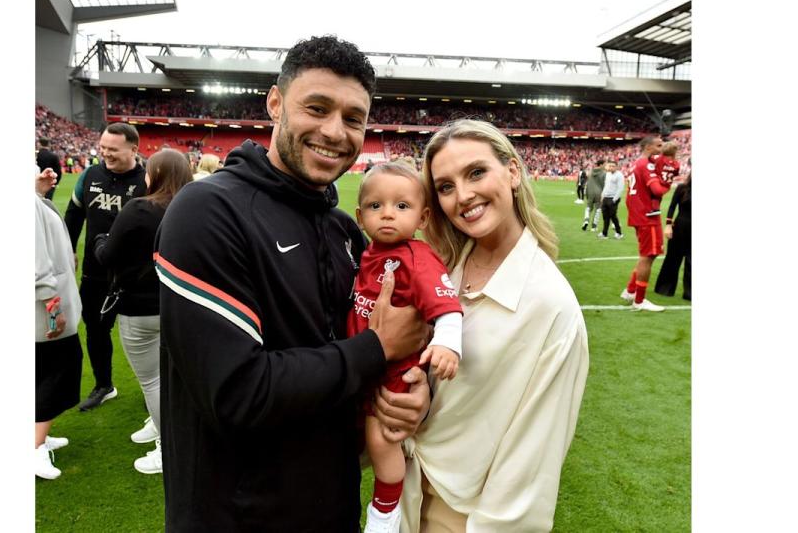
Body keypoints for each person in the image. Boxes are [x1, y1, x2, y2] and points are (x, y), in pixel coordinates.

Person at [154, 35, 431, 532]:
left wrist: (407, 391)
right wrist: (376, 349)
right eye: (317, 107)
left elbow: (354, 354)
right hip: (234, 517)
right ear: (276, 103)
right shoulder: (208, 211)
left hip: (332, 504)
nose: (334, 131)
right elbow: (237, 394)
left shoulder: (344, 230)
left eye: (353, 118)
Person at [401, 119, 589, 531]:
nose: (463, 196)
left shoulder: (550, 306)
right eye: (446, 187)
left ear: (513, 171)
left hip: (465, 517)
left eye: (476, 172)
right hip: (407, 493)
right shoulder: (443, 270)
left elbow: (530, 464)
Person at [348, 163, 463, 533]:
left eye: (401, 206)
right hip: (363, 363)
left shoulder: (417, 257)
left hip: (395, 370)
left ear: (423, 216)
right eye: (375, 206)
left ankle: (384, 513)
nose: (387, 214)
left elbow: (445, 305)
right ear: (359, 215)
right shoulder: (369, 252)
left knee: (380, 441)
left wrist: (447, 343)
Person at [93, 148, 193, 474]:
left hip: (141, 308)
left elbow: (107, 255)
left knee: (152, 380)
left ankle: (168, 449)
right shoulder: (194, 207)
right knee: (169, 376)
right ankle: (159, 423)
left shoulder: (139, 208)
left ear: (157, 173)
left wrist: (99, 239)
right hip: (180, 306)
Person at [65, 123, 147, 411]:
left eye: (113, 149)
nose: (105, 154)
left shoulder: (149, 178)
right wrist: (69, 250)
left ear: (133, 149)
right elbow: (74, 215)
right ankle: (104, 385)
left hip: (138, 277)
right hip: (95, 273)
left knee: (147, 333)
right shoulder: (90, 174)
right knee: (96, 331)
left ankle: (154, 389)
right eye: (103, 148)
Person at [35, 166, 83, 480]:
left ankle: (37, 435)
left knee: (43, 372)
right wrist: (53, 310)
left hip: (41, 307)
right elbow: (36, 266)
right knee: (57, 373)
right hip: (43, 311)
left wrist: (37, 191)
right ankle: (34, 446)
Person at [619, 135, 673, 312]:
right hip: (647, 215)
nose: (662, 147)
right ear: (649, 147)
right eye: (659, 145)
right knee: (648, 255)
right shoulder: (646, 165)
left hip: (640, 214)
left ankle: (630, 290)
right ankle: (639, 300)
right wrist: (668, 182)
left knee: (650, 254)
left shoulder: (637, 163)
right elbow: (657, 189)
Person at [654, 169, 692, 301]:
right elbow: (672, 207)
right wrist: (668, 225)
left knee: (691, 261)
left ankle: (689, 293)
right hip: (680, 227)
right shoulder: (682, 188)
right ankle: (664, 289)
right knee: (672, 259)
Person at [598, 159, 625, 239]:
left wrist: (614, 199)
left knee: (613, 216)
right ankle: (604, 233)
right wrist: (602, 195)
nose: (611, 167)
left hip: (613, 198)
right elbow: (606, 186)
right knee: (605, 217)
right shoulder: (608, 174)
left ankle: (619, 233)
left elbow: (620, 188)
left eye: (613, 166)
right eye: (610, 166)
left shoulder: (619, 175)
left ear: (617, 167)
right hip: (606, 197)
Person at [582, 160, 605, 231]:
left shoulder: (591, 171)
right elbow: (604, 184)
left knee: (588, 207)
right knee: (598, 209)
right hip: (599, 192)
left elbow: (587, 181)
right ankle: (594, 226)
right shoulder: (604, 173)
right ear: (601, 165)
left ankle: (586, 220)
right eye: (604, 164)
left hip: (590, 191)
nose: (605, 166)